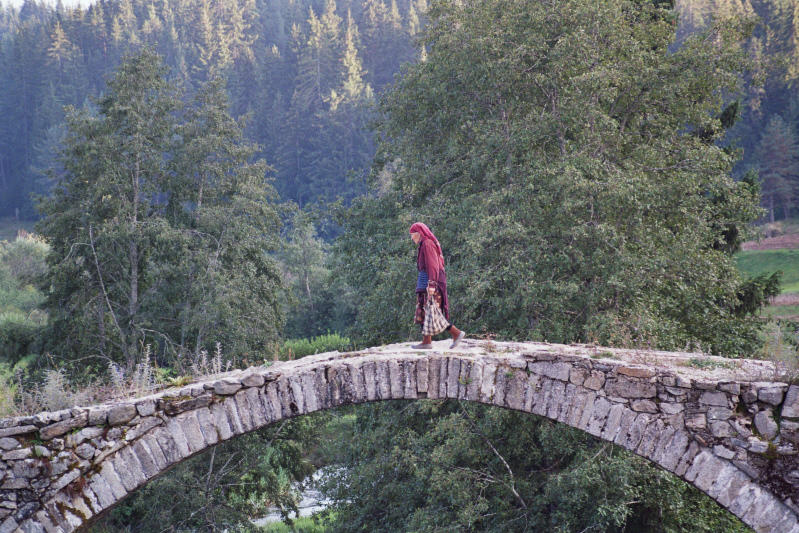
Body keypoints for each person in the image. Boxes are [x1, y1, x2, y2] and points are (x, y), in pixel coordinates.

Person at [409, 222, 466, 349]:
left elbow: (433, 266)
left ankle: (456, 333)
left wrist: (432, 285)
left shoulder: (428, 244)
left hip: (431, 281)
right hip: (425, 280)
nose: (412, 238)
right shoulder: (423, 244)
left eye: (412, 235)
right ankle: (427, 341)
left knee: (433, 311)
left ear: (419, 234)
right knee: (425, 311)